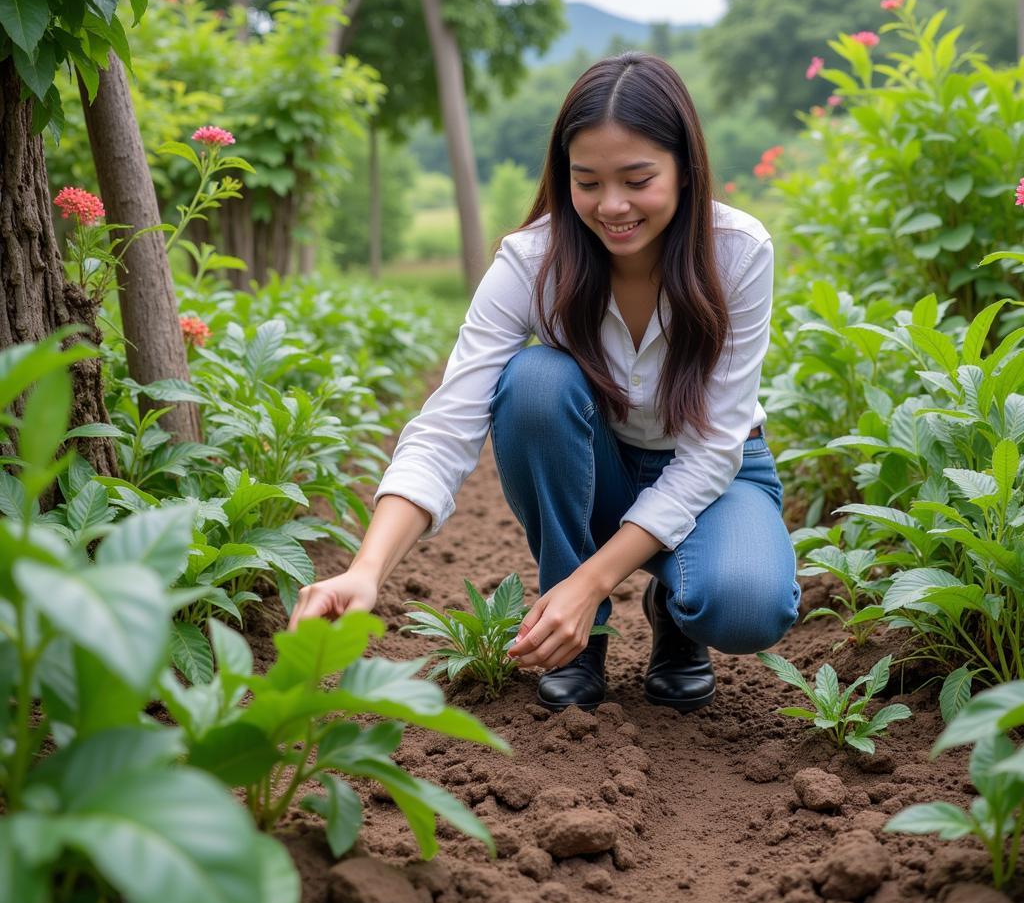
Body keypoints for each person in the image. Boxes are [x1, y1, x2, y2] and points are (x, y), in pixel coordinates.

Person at [290, 52, 800, 713]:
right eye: (587, 181)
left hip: (715, 475)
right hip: (603, 466)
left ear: (684, 169)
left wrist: (599, 579)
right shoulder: (534, 260)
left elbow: (710, 452)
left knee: (746, 606)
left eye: (637, 179)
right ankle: (576, 635)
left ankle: (672, 609)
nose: (611, 205)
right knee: (534, 384)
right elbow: (449, 422)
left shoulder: (737, 252)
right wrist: (367, 570)